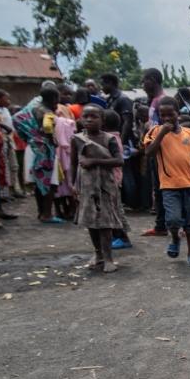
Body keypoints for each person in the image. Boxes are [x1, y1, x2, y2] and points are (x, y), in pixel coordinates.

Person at [143, 98, 190, 266]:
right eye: (162, 115)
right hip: (169, 186)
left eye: (170, 114)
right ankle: (175, 238)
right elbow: (149, 152)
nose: (166, 118)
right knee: (172, 220)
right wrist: (162, 134)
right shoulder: (155, 132)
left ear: (177, 114)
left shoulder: (189, 133)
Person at [71, 105, 126, 273]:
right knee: (91, 221)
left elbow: (119, 161)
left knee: (105, 223)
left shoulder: (109, 139)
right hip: (86, 185)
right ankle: (98, 254)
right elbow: (73, 163)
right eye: (85, 116)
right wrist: (73, 184)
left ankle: (108, 258)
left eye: (94, 116)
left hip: (105, 185)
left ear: (102, 120)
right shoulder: (77, 139)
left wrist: (94, 161)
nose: (89, 120)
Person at [13, 85, 62, 223]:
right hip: (44, 149)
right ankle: (47, 214)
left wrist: (28, 137)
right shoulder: (46, 111)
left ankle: (41, 212)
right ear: (54, 98)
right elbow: (47, 127)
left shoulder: (31, 108)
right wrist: (52, 139)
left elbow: (16, 118)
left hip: (32, 146)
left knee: (38, 182)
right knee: (50, 182)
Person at [140, 68, 168, 236]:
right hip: (155, 150)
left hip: (161, 151)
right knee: (158, 189)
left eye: (144, 80)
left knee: (163, 189)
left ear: (153, 80)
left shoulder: (161, 101)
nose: (142, 84)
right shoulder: (155, 101)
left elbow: (165, 127)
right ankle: (161, 225)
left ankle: (165, 225)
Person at [102, 109, 132, 250]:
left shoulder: (110, 139)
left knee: (114, 210)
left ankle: (122, 237)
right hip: (112, 179)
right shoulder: (114, 137)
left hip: (111, 179)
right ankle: (117, 236)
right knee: (113, 209)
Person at [101, 73, 135, 145]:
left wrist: (120, 143)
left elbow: (127, 123)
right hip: (112, 139)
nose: (102, 87)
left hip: (123, 141)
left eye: (103, 84)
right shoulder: (109, 99)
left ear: (110, 83)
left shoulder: (123, 99)